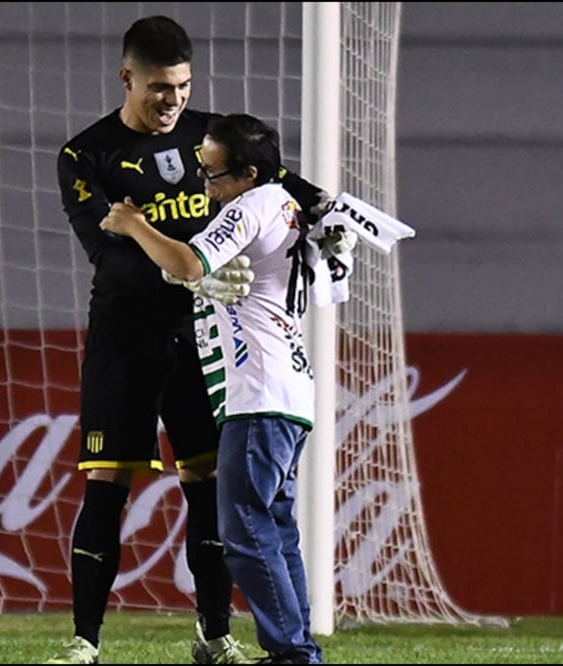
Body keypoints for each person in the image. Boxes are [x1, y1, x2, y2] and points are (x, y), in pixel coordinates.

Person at [47, 15, 327, 666]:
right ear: (127, 78)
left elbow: (275, 180)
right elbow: (107, 254)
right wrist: (195, 276)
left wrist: (321, 205)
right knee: (106, 485)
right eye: (158, 88)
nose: (171, 99)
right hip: (125, 336)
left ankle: (215, 636)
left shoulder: (213, 138)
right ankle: (84, 644)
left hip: (205, 341)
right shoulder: (85, 155)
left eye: (181, 86)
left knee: (208, 487)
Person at [99, 112, 326, 664]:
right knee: (274, 527)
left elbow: (189, 260)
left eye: (213, 174)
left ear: (248, 174)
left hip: (259, 390)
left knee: (243, 528)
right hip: (287, 389)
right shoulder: (284, 204)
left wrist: (132, 223)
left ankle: (293, 654)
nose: (204, 184)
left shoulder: (251, 205)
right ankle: (297, 649)